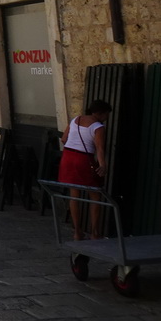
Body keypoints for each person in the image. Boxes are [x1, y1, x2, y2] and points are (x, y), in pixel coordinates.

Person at [59, 100, 112, 241]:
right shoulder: (98, 127)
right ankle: (95, 233)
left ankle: (77, 232)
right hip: (83, 159)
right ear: (101, 113)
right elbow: (100, 149)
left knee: (74, 195)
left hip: (67, 157)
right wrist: (103, 166)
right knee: (95, 196)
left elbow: (64, 139)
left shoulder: (76, 119)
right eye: (107, 114)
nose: (107, 117)